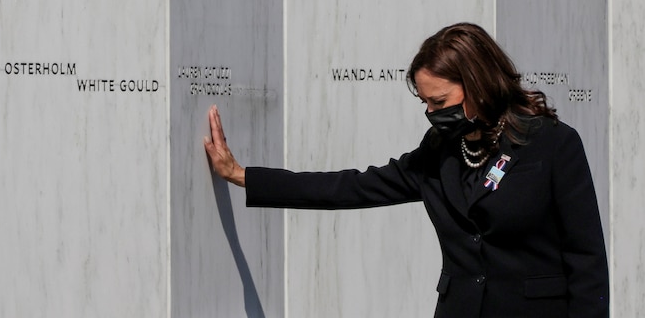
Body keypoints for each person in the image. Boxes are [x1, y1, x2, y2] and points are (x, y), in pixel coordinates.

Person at [204, 22, 609, 317]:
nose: (432, 113)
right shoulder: (439, 152)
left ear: (478, 83)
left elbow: (586, 260)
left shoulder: (552, 144)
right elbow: (353, 187)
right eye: (426, 104)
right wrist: (243, 175)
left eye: (440, 101)